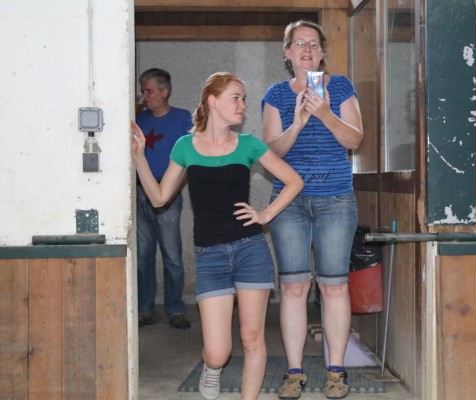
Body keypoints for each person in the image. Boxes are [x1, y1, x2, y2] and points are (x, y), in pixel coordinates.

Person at [132, 72, 303, 400]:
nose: (243, 105)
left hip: (251, 250)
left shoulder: (249, 144)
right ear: (212, 101)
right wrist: (139, 157)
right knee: (217, 352)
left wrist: (265, 214)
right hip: (210, 255)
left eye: (244, 98)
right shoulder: (186, 146)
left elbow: (294, 181)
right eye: (235, 98)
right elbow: (158, 198)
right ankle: (211, 369)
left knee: (252, 339)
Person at [261, 20, 364, 399]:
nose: (307, 49)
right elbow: (272, 151)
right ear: (287, 52)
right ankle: (294, 372)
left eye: (314, 44)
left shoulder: (341, 87)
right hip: (288, 203)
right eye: (299, 43)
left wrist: (325, 114)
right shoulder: (275, 94)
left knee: (334, 286)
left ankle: (336, 372)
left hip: (335, 199)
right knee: (292, 287)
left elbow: (354, 139)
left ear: (322, 52)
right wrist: (299, 121)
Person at [136, 68, 193, 329]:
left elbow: (191, 160)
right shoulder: (139, 119)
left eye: (149, 91)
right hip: (140, 193)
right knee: (143, 256)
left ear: (164, 91)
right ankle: (144, 309)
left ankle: (175, 309)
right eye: (143, 91)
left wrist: (172, 191)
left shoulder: (182, 118)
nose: (145, 96)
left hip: (169, 194)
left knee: (172, 255)